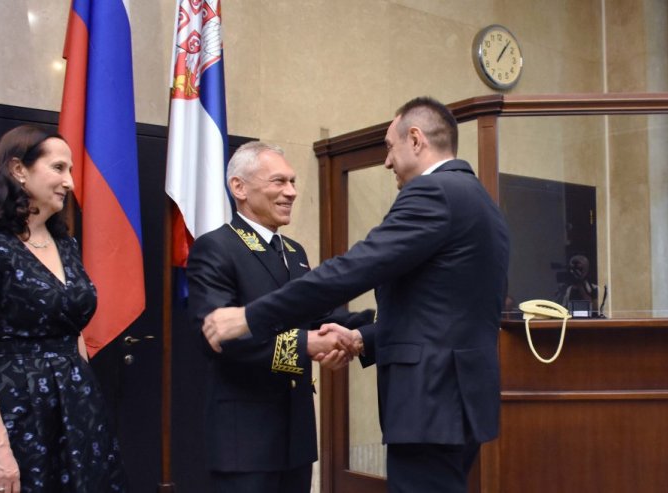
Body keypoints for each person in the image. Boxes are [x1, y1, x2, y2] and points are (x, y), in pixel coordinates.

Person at [202, 97, 510, 493]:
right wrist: (358, 338)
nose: (387, 161)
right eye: (279, 182)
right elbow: (436, 311)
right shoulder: (481, 200)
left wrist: (249, 318)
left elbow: (355, 268)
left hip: (429, 401)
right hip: (247, 433)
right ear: (239, 188)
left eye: (390, 147)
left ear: (416, 140)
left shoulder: (434, 193)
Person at [0, 125, 128, 492]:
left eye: (71, 170)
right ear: (18, 170)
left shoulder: (65, 244)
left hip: (76, 410)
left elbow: (72, 329)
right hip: (12, 413)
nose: (69, 182)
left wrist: (85, 408)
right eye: (58, 168)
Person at [186, 141, 371, 493]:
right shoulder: (216, 248)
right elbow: (221, 336)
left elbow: (319, 315)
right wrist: (307, 345)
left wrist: (365, 329)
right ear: (239, 187)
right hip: (245, 440)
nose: (292, 192)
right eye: (279, 182)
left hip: (295, 435)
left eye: (293, 181)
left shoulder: (293, 251)